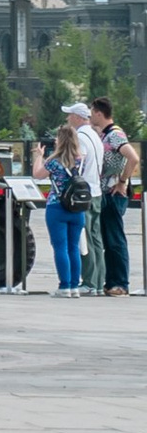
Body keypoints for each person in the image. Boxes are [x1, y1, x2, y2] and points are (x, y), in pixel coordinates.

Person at [46, 112, 100, 295]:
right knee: (73, 247)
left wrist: (39, 155)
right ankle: (75, 287)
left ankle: (64, 286)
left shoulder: (53, 161)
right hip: (77, 207)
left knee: (60, 246)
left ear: (59, 141)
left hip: (57, 206)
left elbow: (38, 173)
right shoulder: (80, 160)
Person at [92, 98, 133, 296]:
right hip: (106, 192)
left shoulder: (115, 135)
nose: (91, 116)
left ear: (99, 113)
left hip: (113, 193)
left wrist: (122, 181)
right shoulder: (105, 134)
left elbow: (133, 157)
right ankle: (111, 281)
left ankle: (120, 283)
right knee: (108, 239)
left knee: (115, 239)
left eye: (92, 113)